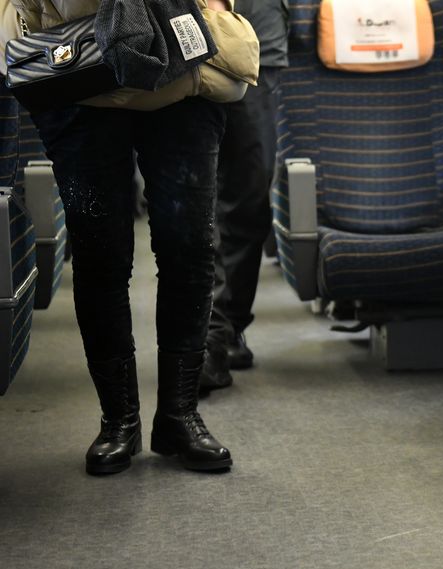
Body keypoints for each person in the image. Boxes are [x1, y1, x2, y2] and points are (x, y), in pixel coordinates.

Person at [0, 0, 257, 475]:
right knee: (100, 252)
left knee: (190, 248)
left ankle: (179, 414)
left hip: (185, 67)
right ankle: (118, 420)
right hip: (78, 62)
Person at [200, 0, 290, 392]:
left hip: (255, 33)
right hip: (172, 29)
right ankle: (206, 339)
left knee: (250, 194)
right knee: (192, 195)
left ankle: (228, 325)